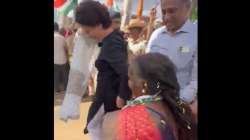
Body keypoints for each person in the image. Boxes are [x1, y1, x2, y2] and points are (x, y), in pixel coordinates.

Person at [103, 53, 197, 140]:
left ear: (144, 85)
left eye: (130, 78)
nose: (128, 83)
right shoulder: (181, 111)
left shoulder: (123, 120)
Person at [74, 1, 131, 139]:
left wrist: (122, 95)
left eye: (88, 31)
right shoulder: (112, 38)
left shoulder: (112, 43)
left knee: (94, 126)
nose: (88, 35)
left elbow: (126, 70)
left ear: (99, 24)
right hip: (107, 96)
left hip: (108, 98)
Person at [146, 0, 197, 105]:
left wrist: (177, 103)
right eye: (164, 12)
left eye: (172, 11)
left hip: (182, 105)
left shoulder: (195, 36)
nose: (166, 17)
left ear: (187, 7)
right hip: (153, 101)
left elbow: (195, 81)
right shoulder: (156, 35)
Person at [54, 22, 70, 94]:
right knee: (65, 75)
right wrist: (67, 59)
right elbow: (66, 49)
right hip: (63, 60)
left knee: (56, 75)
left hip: (55, 60)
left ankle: (57, 90)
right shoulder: (62, 38)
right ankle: (65, 89)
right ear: (58, 28)